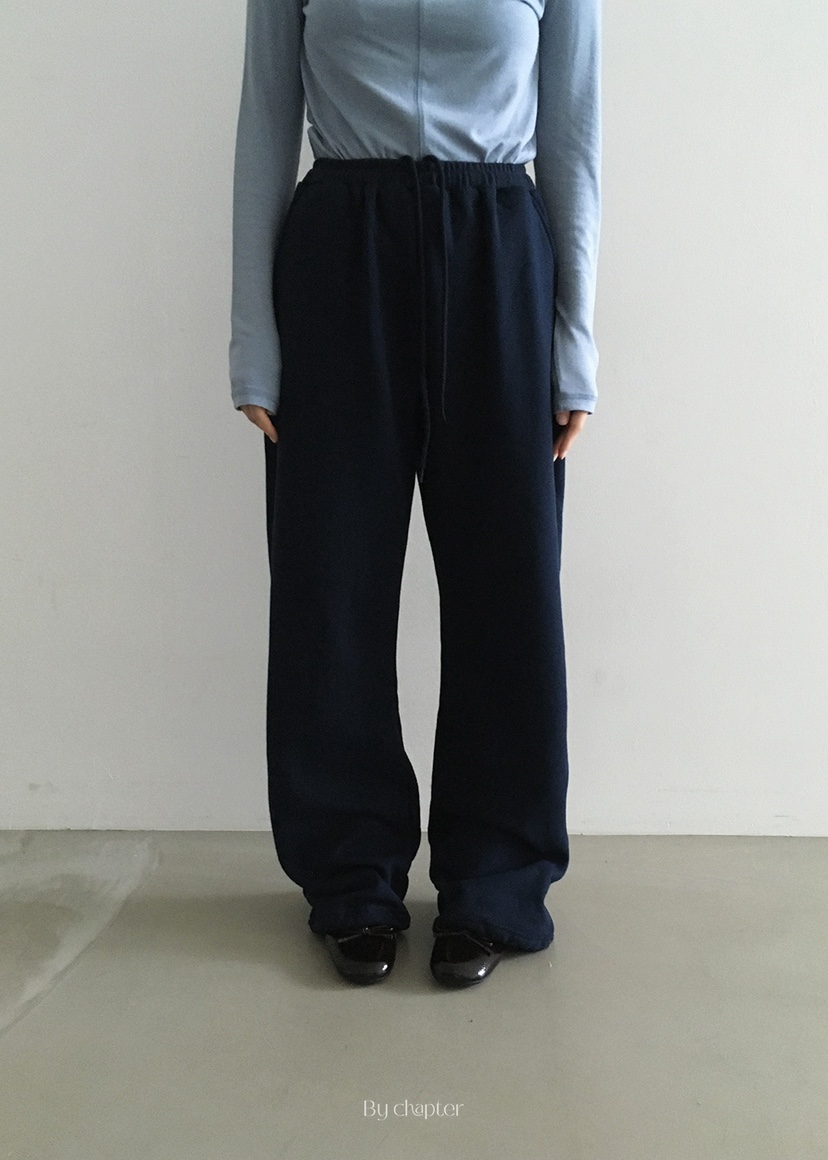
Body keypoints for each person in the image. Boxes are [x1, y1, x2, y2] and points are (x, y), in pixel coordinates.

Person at [229, 0, 601, 988]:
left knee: (508, 589)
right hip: (339, 252)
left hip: (499, 249)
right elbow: (265, 123)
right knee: (331, 585)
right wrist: (253, 339)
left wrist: (575, 343)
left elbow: (573, 136)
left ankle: (497, 881)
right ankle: (351, 875)